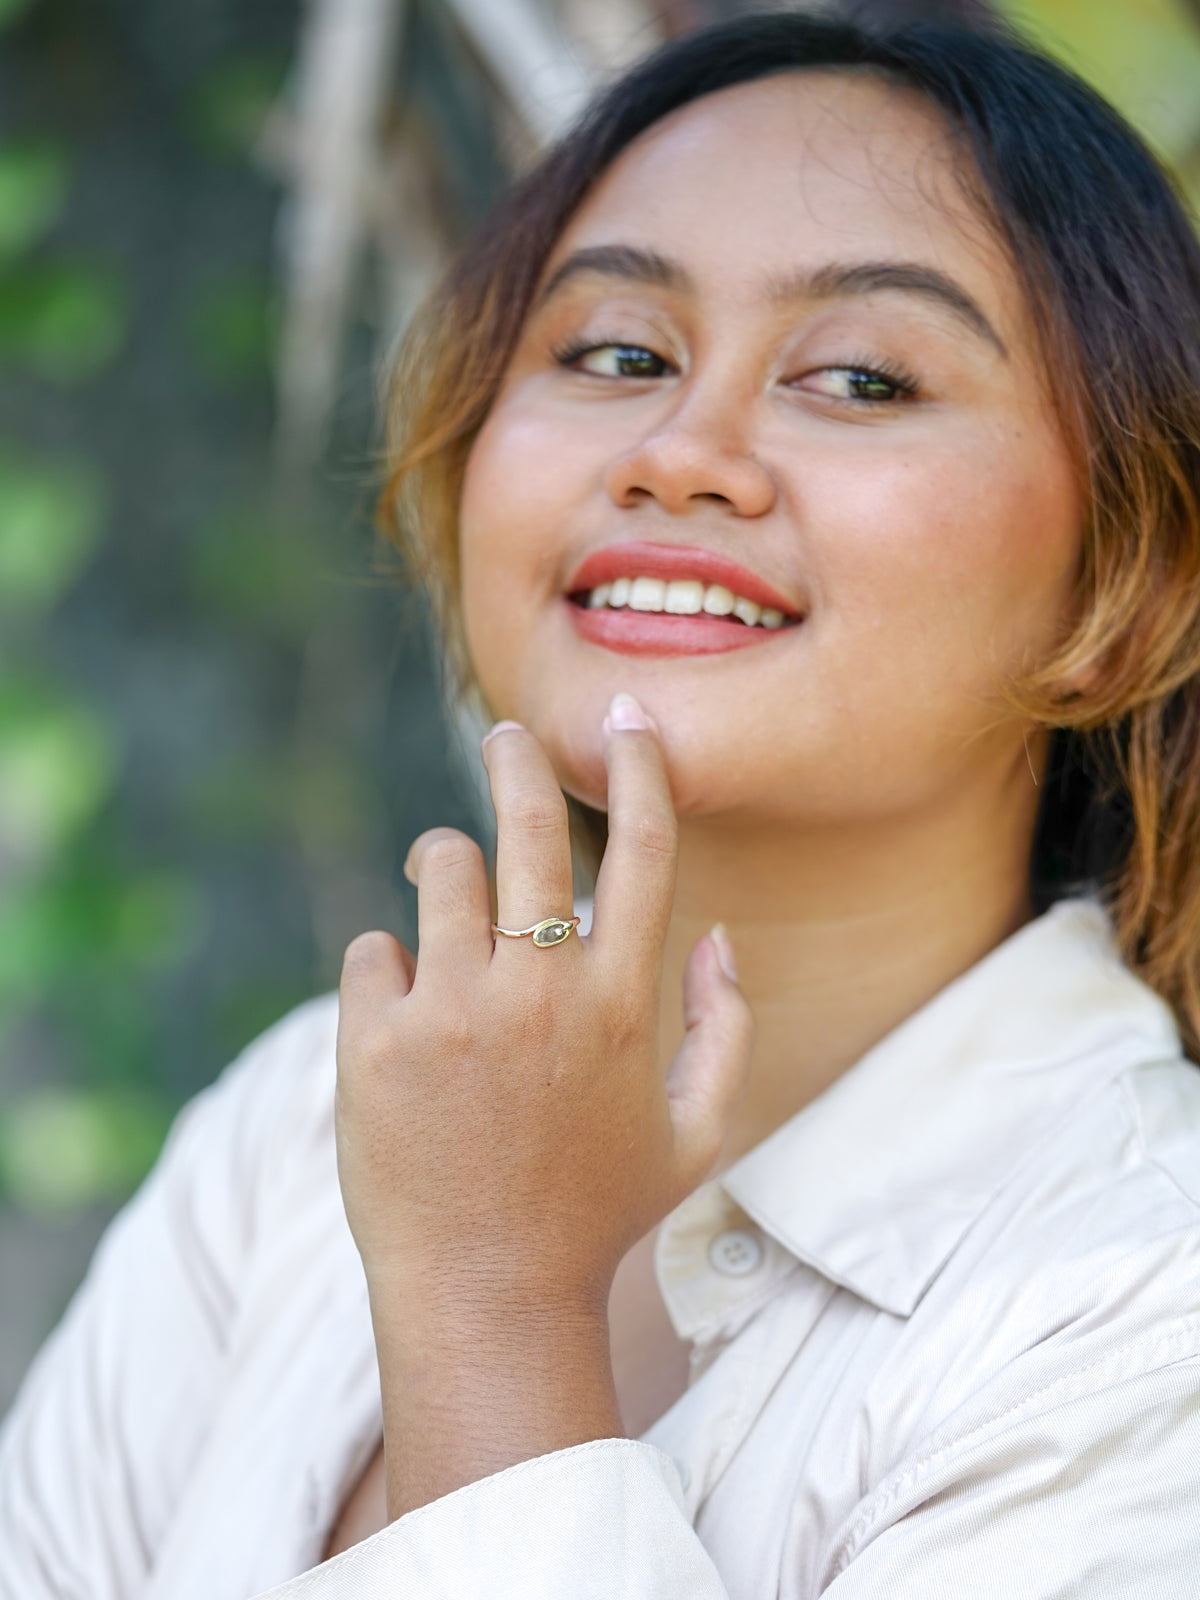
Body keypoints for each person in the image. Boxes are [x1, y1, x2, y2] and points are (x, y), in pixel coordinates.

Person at [4, 10, 1200, 1596]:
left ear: (1127, 585)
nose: (680, 452)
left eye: (858, 376)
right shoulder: (307, 1122)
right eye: (617, 353)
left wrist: (496, 1310)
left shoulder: (1139, 1307)